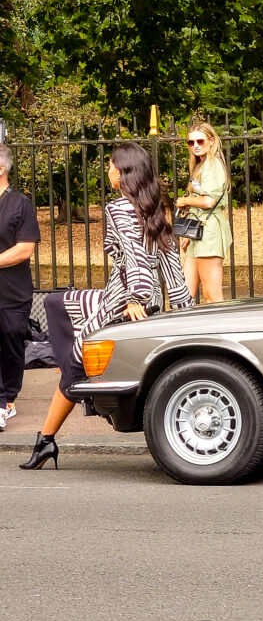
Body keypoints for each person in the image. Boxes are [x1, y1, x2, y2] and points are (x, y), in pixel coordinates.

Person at [19, 142, 193, 470]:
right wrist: (185, 308)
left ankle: (53, 428)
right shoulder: (155, 208)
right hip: (138, 300)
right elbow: (171, 264)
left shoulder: (119, 209)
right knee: (57, 305)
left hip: (123, 302)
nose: (108, 170)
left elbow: (137, 259)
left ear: (125, 171)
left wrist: (134, 299)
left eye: (112, 165)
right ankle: (47, 437)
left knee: (72, 363)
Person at [0, 144, 40, 431]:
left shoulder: (19, 204)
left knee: (12, 341)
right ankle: (0, 402)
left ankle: (8, 397)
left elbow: (24, 249)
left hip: (13, 291)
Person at [176, 121, 231, 302]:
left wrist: (185, 200)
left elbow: (209, 201)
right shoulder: (201, 164)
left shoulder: (213, 165)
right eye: (191, 143)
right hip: (198, 230)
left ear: (211, 141)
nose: (196, 146)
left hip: (209, 232)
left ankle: (222, 329)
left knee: (211, 295)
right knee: (184, 296)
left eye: (200, 141)